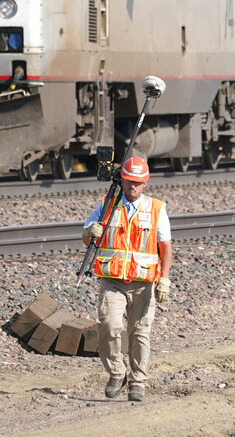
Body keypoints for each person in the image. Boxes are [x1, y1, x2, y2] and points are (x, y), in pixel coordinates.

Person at [83, 156, 172, 402]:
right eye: (128, 181)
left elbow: (165, 247)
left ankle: (138, 382)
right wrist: (90, 232)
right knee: (108, 326)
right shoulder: (107, 205)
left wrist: (164, 279)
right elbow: (87, 237)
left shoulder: (156, 209)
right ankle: (116, 373)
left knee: (139, 332)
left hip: (143, 283)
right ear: (122, 180)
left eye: (137, 182)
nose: (132, 187)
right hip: (112, 280)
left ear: (145, 183)